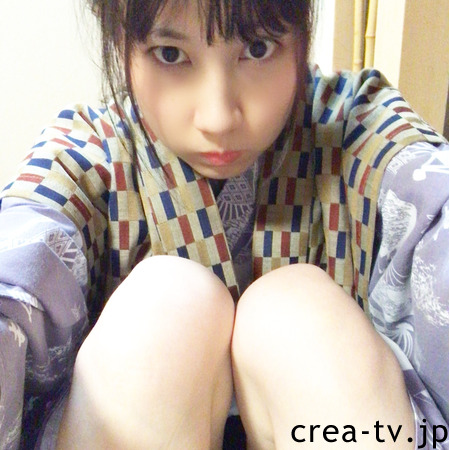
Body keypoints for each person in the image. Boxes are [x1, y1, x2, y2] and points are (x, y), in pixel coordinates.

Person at [0, 0, 448, 448]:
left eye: (258, 48)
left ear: (302, 34)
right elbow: (24, 251)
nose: (217, 119)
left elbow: (431, 192)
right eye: (170, 54)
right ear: (122, 45)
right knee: (167, 309)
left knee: (297, 315)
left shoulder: (354, 122)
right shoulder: (90, 150)